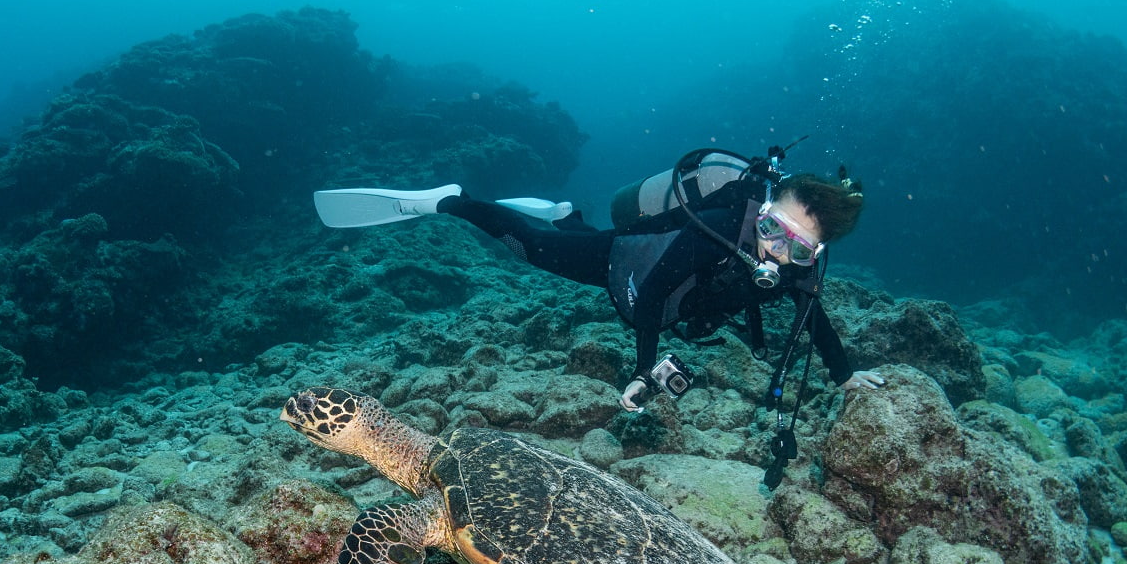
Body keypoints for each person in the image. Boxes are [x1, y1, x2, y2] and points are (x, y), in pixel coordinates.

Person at [313, 147, 886, 416]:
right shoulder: (714, 226)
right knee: (536, 249)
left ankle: (565, 210)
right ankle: (452, 201)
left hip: (649, 281)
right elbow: (657, 289)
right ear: (760, 208)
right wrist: (644, 367)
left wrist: (846, 376)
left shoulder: (798, 269)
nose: (775, 251)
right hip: (623, 265)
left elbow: (815, 316)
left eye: (797, 246)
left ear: (816, 250)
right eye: (771, 229)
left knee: (566, 232)